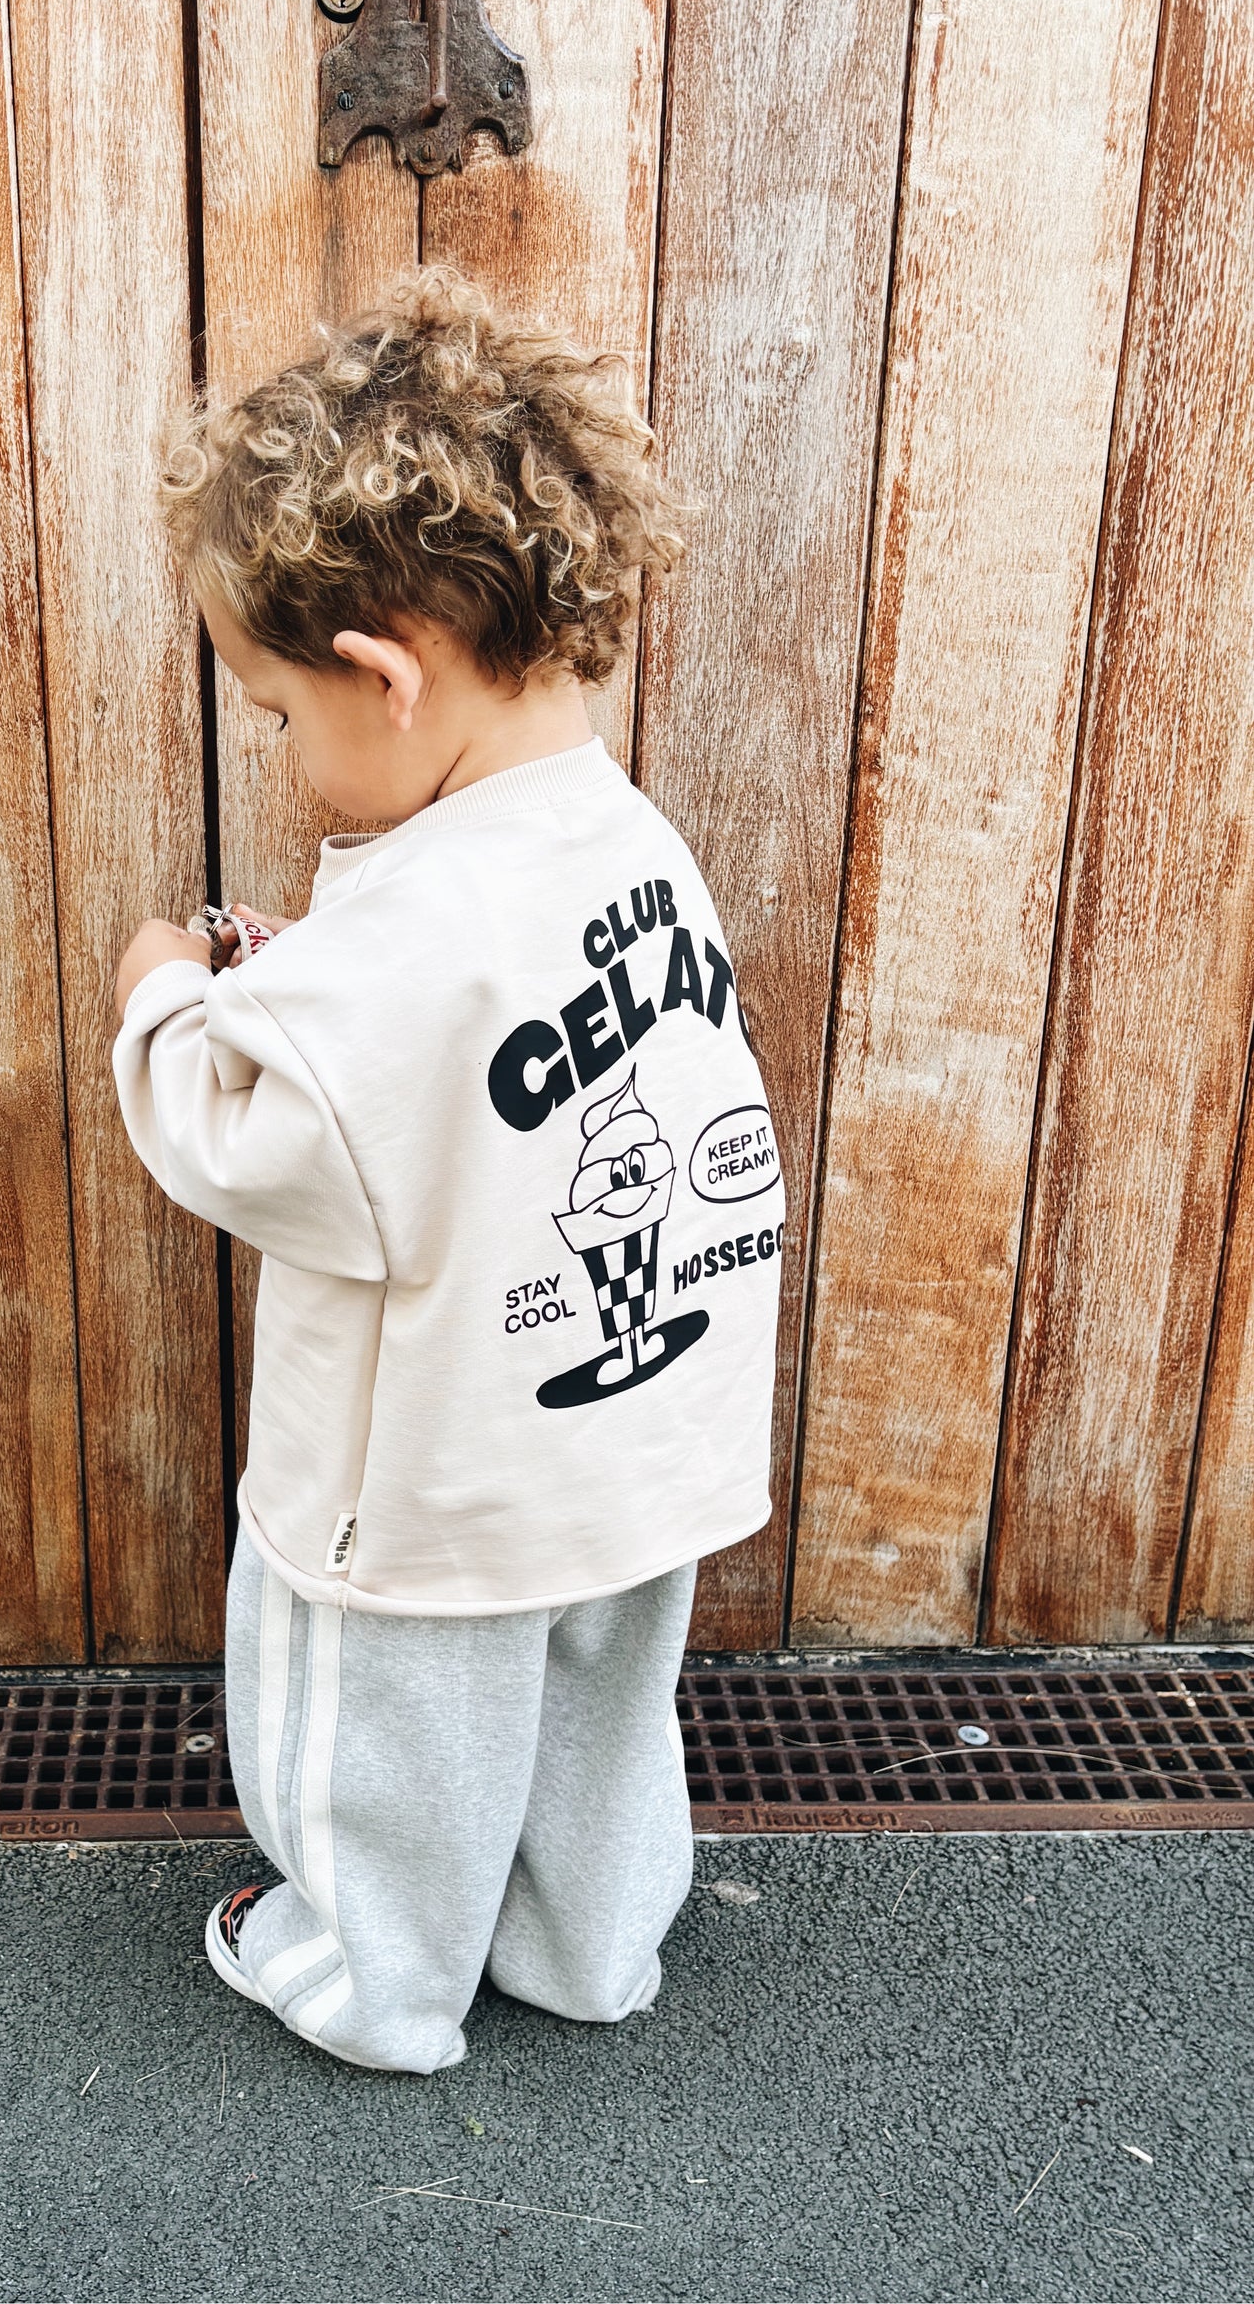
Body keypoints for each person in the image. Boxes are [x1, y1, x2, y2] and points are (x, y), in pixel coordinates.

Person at [112, 268, 782, 2074]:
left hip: (437, 1476)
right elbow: (485, 1066)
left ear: (385, 678)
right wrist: (309, 979)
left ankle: (374, 1979)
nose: (281, 752)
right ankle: (585, 1944)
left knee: (387, 1734)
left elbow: (249, 1136)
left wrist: (164, 993)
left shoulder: (414, 923)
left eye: (277, 711)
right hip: (632, 1430)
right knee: (595, 1713)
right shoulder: (626, 841)